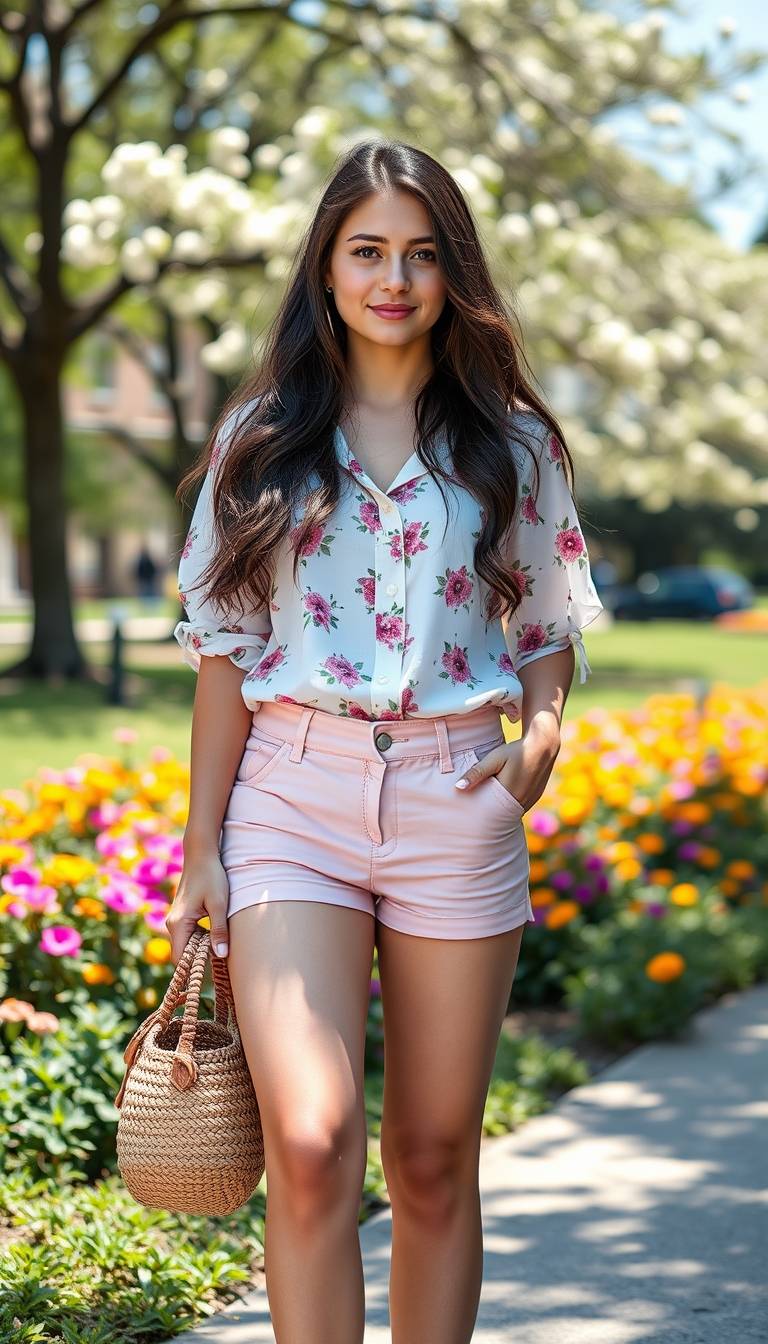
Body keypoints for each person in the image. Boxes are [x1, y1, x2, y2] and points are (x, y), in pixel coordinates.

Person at [166, 139, 604, 1344]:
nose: (393, 277)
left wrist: (544, 731)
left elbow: (550, 620)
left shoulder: (513, 443)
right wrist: (201, 847)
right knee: (309, 1145)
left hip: (455, 799)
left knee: (428, 1157)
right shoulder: (258, 439)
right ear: (327, 268)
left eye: (421, 253)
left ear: (452, 271)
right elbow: (223, 659)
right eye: (367, 251)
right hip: (290, 799)